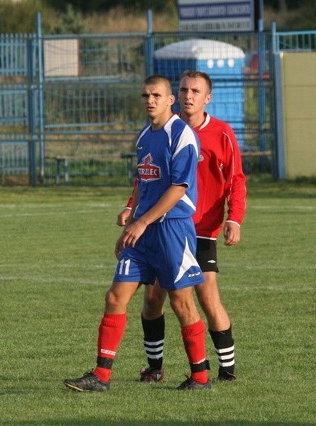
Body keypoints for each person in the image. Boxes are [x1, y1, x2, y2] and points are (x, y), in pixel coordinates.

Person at [64, 75, 211, 392]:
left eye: (157, 95)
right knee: (115, 296)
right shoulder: (145, 136)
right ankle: (101, 376)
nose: (150, 100)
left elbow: (178, 187)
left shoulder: (181, 134)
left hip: (173, 229)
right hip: (142, 234)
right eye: (145, 95)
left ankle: (200, 377)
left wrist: (143, 222)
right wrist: (132, 214)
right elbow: (143, 182)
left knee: (181, 304)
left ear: (170, 99)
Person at [117, 70, 247, 382]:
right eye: (184, 89)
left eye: (196, 91)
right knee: (152, 299)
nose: (189, 96)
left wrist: (234, 219)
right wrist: (130, 205)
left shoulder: (222, 134)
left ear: (207, 98)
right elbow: (147, 175)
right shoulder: (163, 128)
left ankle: (226, 369)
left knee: (206, 296)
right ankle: (155, 367)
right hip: (163, 227)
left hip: (200, 229)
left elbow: (236, 180)